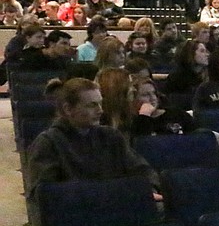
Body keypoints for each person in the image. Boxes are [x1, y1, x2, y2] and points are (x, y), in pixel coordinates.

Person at [25, 77, 158, 201]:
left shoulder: (111, 136)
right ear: (68, 109)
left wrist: (149, 188)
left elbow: (141, 169)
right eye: (92, 105)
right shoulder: (49, 142)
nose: (100, 111)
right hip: (78, 213)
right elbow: (45, 193)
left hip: (115, 204)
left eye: (100, 104)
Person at [130, 77, 196, 136]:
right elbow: (140, 142)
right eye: (145, 95)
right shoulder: (131, 121)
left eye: (154, 93)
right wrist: (144, 116)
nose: (153, 98)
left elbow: (195, 137)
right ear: (133, 98)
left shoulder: (177, 114)